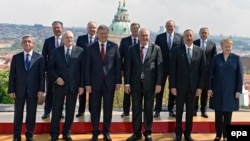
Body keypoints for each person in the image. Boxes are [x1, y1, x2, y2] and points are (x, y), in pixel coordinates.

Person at [124, 27, 163, 141]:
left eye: (146, 35)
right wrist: (127, 84)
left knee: (148, 109)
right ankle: (136, 133)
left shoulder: (156, 49)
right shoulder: (132, 49)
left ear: (149, 36)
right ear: (138, 36)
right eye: (143, 35)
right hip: (135, 84)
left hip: (150, 84)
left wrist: (159, 84)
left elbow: (160, 68)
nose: (145, 37)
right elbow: (128, 67)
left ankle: (148, 132)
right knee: (136, 109)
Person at [85, 25, 121, 141]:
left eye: (105, 33)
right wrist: (88, 84)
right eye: (101, 33)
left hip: (109, 84)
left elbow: (118, 65)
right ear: (97, 34)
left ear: (108, 34)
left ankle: (106, 132)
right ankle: (95, 132)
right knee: (94, 109)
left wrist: (118, 82)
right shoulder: (91, 48)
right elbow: (87, 67)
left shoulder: (114, 47)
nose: (103, 35)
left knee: (108, 109)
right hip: (94, 84)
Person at [169, 29, 205, 141]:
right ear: (183, 38)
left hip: (193, 88)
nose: (188, 38)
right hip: (179, 88)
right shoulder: (176, 50)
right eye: (186, 36)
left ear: (193, 37)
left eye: (190, 36)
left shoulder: (200, 51)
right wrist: (172, 86)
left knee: (190, 113)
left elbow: (202, 71)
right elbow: (172, 70)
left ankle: (188, 133)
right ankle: (178, 133)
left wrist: (200, 87)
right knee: (179, 111)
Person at [8, 35, 45, 141]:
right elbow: (12, 75)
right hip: (19, 90)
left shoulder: (39, 57)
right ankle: (16, 136)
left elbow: (41, 75)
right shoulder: (16, 57)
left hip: (33, 91)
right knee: (18, 114)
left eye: (29, 41)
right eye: (25, 41)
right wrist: (11, 90)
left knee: (31, 114)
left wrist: (41, 89)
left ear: (33, 44)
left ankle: (29, 135)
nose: (27, 43)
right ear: (21, 44)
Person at [49, 31, 84, 141]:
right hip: (59, 86)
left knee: (70, 111)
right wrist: (56, 78)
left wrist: (81, 86)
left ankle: (66, 132)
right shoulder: (56, 52)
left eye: (71, 38)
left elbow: (83, 70)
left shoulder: (80, 51)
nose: (69, 40)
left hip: (73, 86)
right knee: (56, 111)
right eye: (67, 38)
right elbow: (50, 68)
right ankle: (54, 134)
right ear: (63, 39)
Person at [208, 38, 243, 141]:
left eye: (229, 46)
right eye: (226, 46)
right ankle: (218, 135)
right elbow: (210, 75)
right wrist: (209, 88)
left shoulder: (237, 59)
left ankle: (226, 135)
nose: (228, 48)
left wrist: (238, 90)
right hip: (217, 91)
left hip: (231, 92)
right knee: (218, 116)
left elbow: (240, 77)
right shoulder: (215, 58)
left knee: (228, 116)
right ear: (222, 47)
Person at [154, 20, 183, 118]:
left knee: (173, 88)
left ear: (174, 27)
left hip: (175, 68)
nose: (170, 28)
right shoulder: (159, 37)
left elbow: (182, 52)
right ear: (165, 27)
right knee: (159, 88)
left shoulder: (180, 37)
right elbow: (155, 52)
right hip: (162, 66)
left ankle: (171, 108)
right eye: (168, 26)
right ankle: (157, 109)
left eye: (171, 26)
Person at [42, 21, 64, 119]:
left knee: (62, 92)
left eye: (58, 27)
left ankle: (61, 111)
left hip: (63, 72)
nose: (56, 29)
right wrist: (45, 70)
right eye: (54, 28)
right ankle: (47, 111)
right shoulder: (48, 41)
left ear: (62, 28)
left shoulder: (66, 40)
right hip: (50, 71)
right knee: (49, 92)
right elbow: (44, 57)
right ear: (52, 29)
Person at [75, 21, 98, 117]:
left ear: (96, 29)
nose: (92, 29)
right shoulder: (81, 39)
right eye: (90, 27)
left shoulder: (99, 39)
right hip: (83, 68)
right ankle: (81, 110)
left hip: (95, 70)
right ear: (87, 28)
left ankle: (92, 111)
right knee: (82, 90)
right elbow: (77, 52)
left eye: (94, 28)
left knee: (93, 91)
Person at [193, 27, 217, 118]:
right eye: (202, 32)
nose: (204, 34)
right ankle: (194, 110)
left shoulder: (212, 44)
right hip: (196, 72)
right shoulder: (195, 43)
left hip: (207, 73)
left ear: (208, 34)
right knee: (195, 92)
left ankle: (203, 111)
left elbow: (214, 58)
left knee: (204, 93)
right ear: (199, 33)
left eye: (205, 33)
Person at [119, 22, 140, 117]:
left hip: (139, 71)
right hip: (127, 70)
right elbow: (120, 57)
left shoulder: (142, 40)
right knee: (127, 91)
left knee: (138, 91)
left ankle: (137, 110)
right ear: (130, 30)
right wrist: (121, 69)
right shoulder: (124, 41)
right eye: (133, 28)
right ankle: (126, 110)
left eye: (137, 28)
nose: (135, 30)